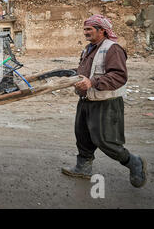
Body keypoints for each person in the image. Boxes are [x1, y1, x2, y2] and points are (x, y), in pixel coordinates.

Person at [61, 14, 147, 188]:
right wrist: (68, 74)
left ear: (102, 31)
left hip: (106, 102)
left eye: (89, 29)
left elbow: (119, 76)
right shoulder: (88, 49)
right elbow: (84, 70)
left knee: (106, 141)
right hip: (86, 100)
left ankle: (133, 162)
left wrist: (92, 82)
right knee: (83, 136)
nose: (85, 32)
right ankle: (83, 168)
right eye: (85, 29)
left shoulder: (112, 49)